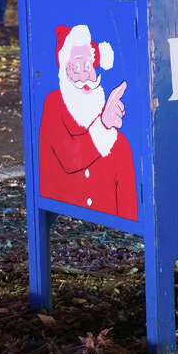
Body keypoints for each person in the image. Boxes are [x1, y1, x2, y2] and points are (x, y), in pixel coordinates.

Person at [38, 24, 138, 221]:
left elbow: (128, 199)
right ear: (64, 71)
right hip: (64, 201)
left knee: (123, 147)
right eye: (76, 66)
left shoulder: (107, 125)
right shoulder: (54, 104)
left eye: (89, 66)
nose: (85, 76)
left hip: (108, 212)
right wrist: (104, 124)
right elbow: (70, 157)